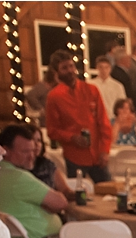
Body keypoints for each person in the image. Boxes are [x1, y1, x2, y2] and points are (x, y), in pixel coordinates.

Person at [0, 123, 68, 238]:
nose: (32, 156)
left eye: (33, 150)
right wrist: (46, 206)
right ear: (6, 151)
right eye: (25, 151)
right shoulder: (17, 177)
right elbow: (61, 202)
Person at [45, 49, 112, 183]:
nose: (70, 70)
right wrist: (72, 137)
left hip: (98, 154)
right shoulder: (54, 97)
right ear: (56, 72)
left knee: (109, 191)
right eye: (64, 68)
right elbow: (52, 131)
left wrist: (105, 150)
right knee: (78, 195)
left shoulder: (91, 90)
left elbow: (103, 122)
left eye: (71, 66)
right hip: (74, 156)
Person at [88, 55, 125, 124]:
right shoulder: (90, 84)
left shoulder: (117, 86)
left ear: (110, 69)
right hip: (96, 120)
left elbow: (122, 105)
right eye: (101, 67)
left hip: (112, 119)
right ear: (97, 68)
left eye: (106, 67)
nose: (104, 70)